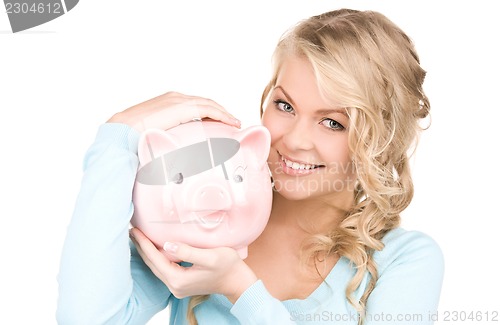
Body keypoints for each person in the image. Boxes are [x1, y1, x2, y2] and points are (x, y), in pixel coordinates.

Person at [56, 8, 444, 325]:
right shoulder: (205, 220)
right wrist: (117, 138)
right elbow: (87, 318)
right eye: (285, 105)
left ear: (380, 140)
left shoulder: (403, 260)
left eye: (333, 122)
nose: (293, 140)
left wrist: (240, 288)